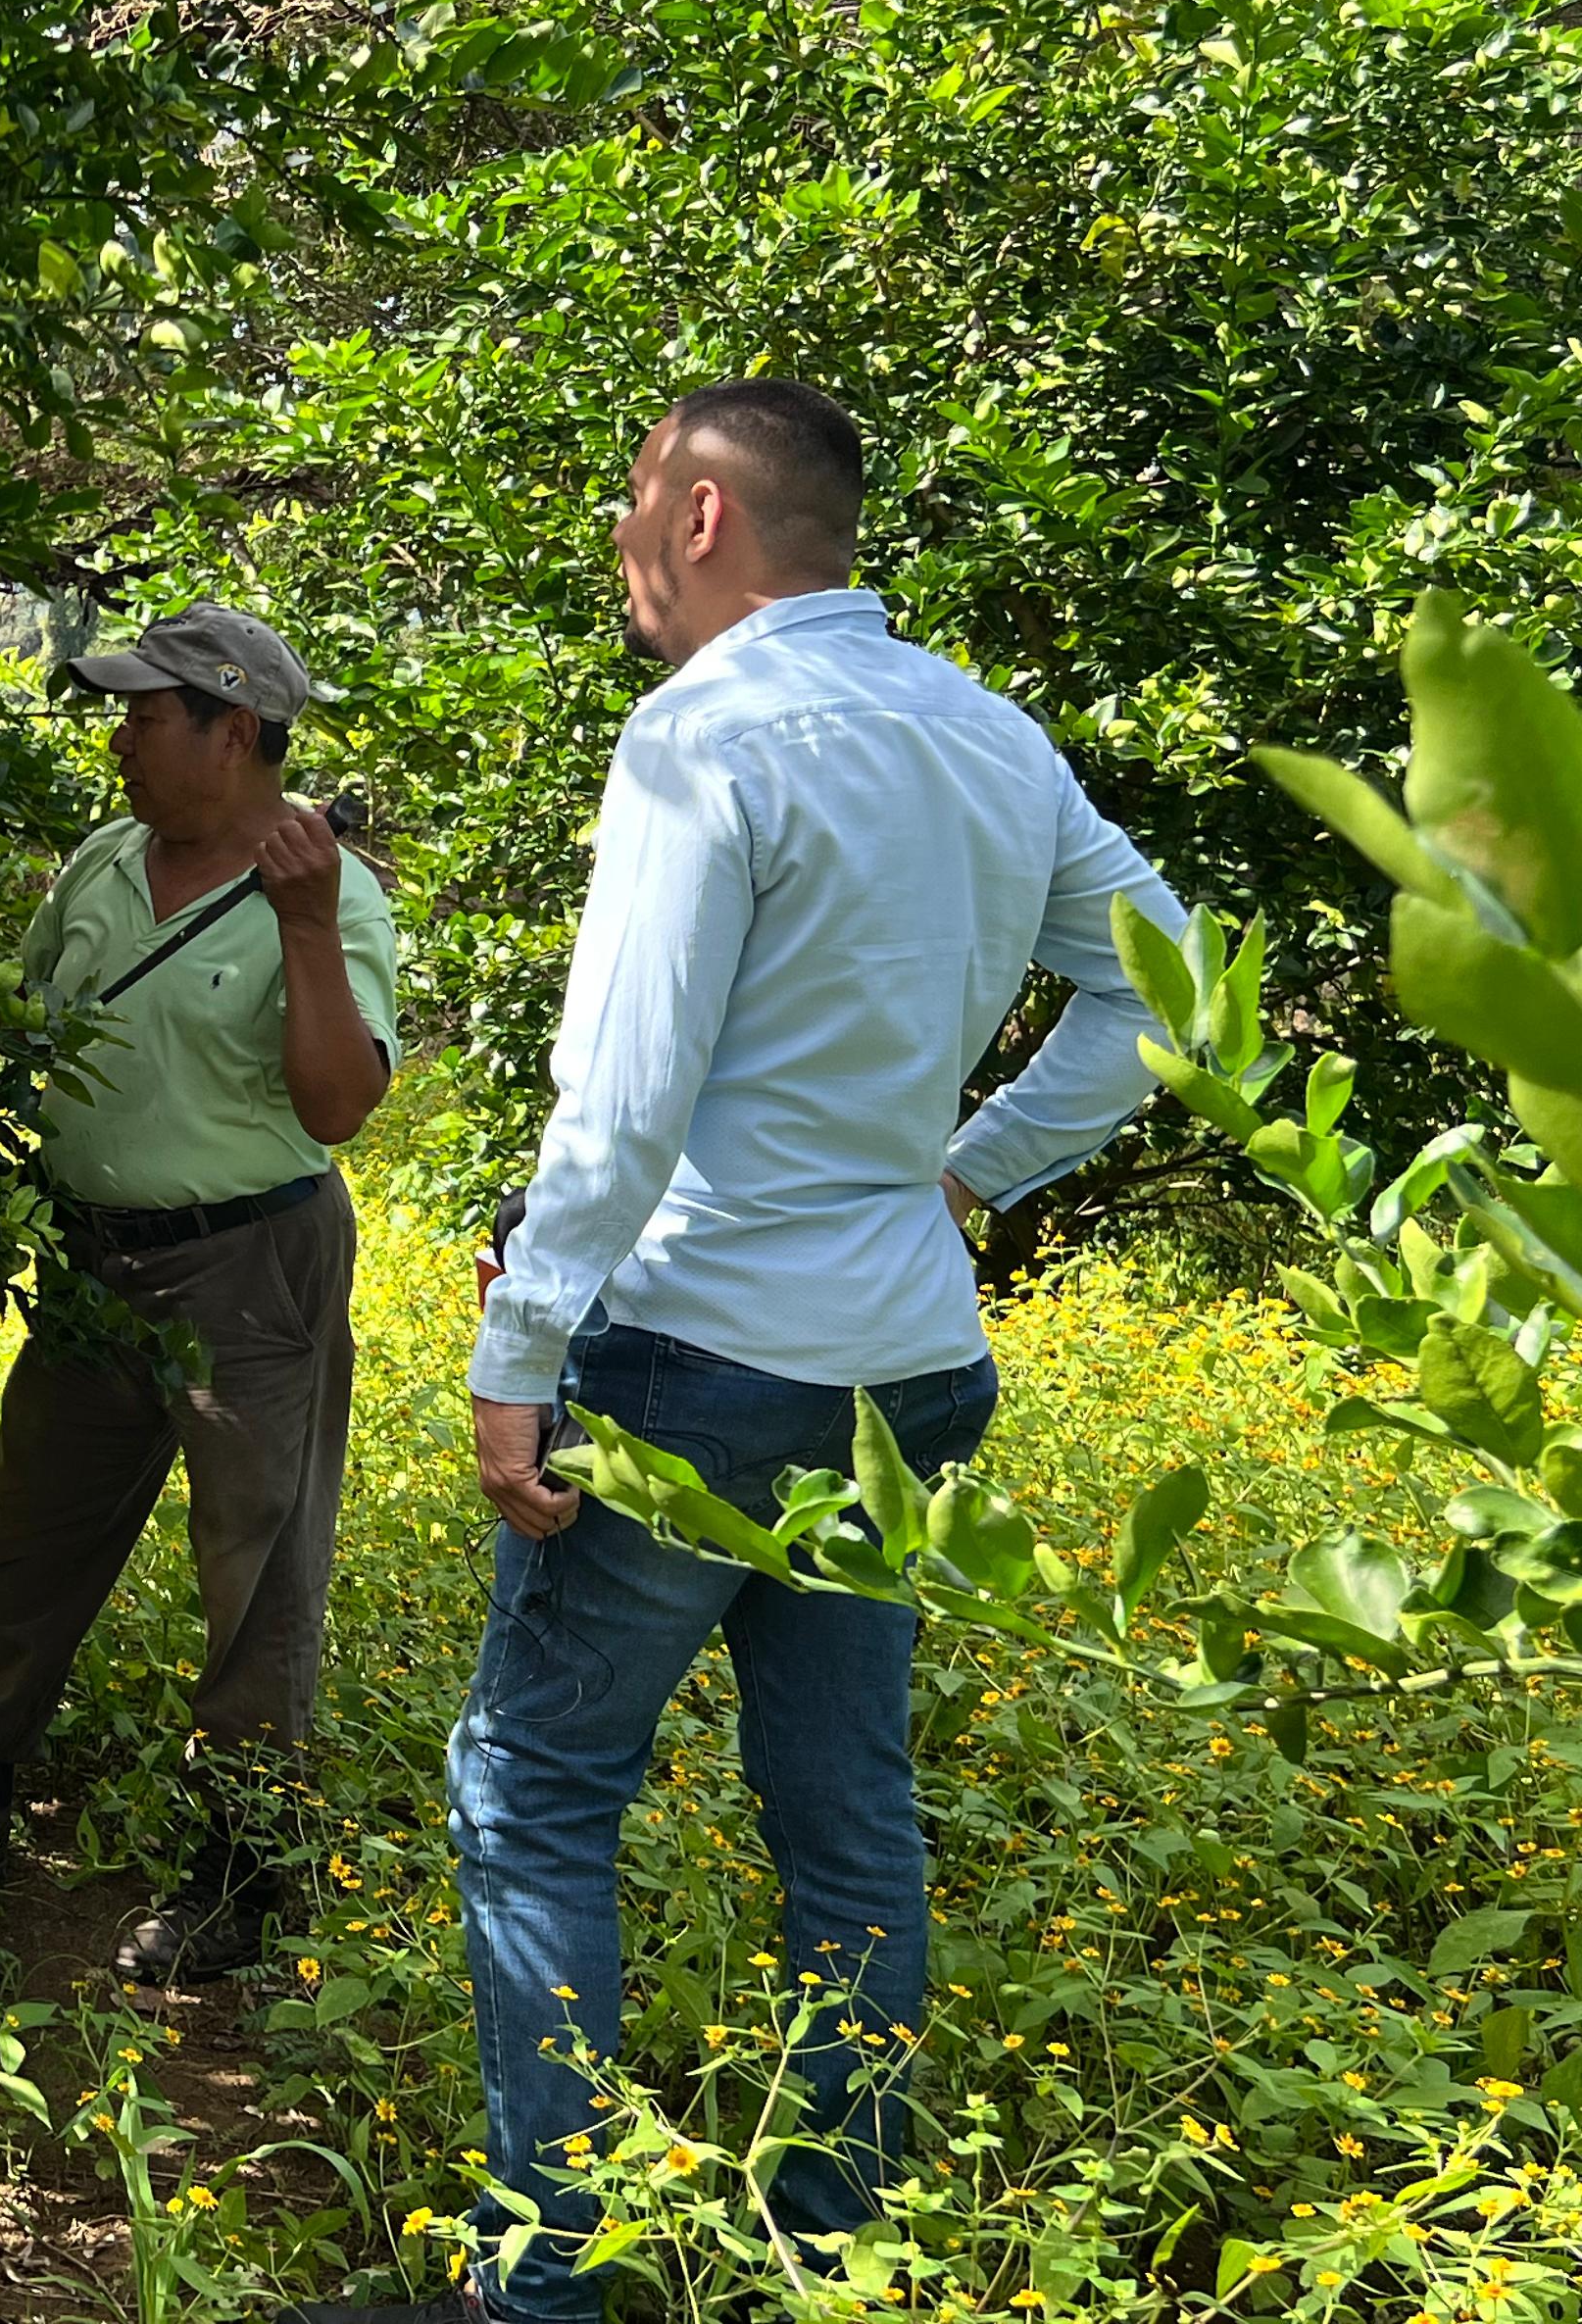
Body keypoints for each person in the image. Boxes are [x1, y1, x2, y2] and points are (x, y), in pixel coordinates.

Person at [299, 382, 1185, 2324]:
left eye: (632, 499)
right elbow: (1162, 979)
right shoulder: (986, 736)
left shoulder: (704, 737)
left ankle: (542, 2285)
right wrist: (975, 1169)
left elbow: (620, 1108)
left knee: (536, 1792)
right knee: (847, 1814)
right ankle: (827, 2259)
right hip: (907, 1371)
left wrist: (517, 1352)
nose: (621, 539)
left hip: (702, 1357)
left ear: (701, 518)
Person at [0, 602, 399, 1986]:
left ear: (237, 730)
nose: (120, 736)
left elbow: (339, 1105)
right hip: (97, 1260)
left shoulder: (327, 895)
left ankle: (245, 1881)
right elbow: (46, 1021)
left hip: (253, 1265)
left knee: (258, 1573)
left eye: (145, 713)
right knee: (22, 1533)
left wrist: (311, 924)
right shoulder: (102, 859)